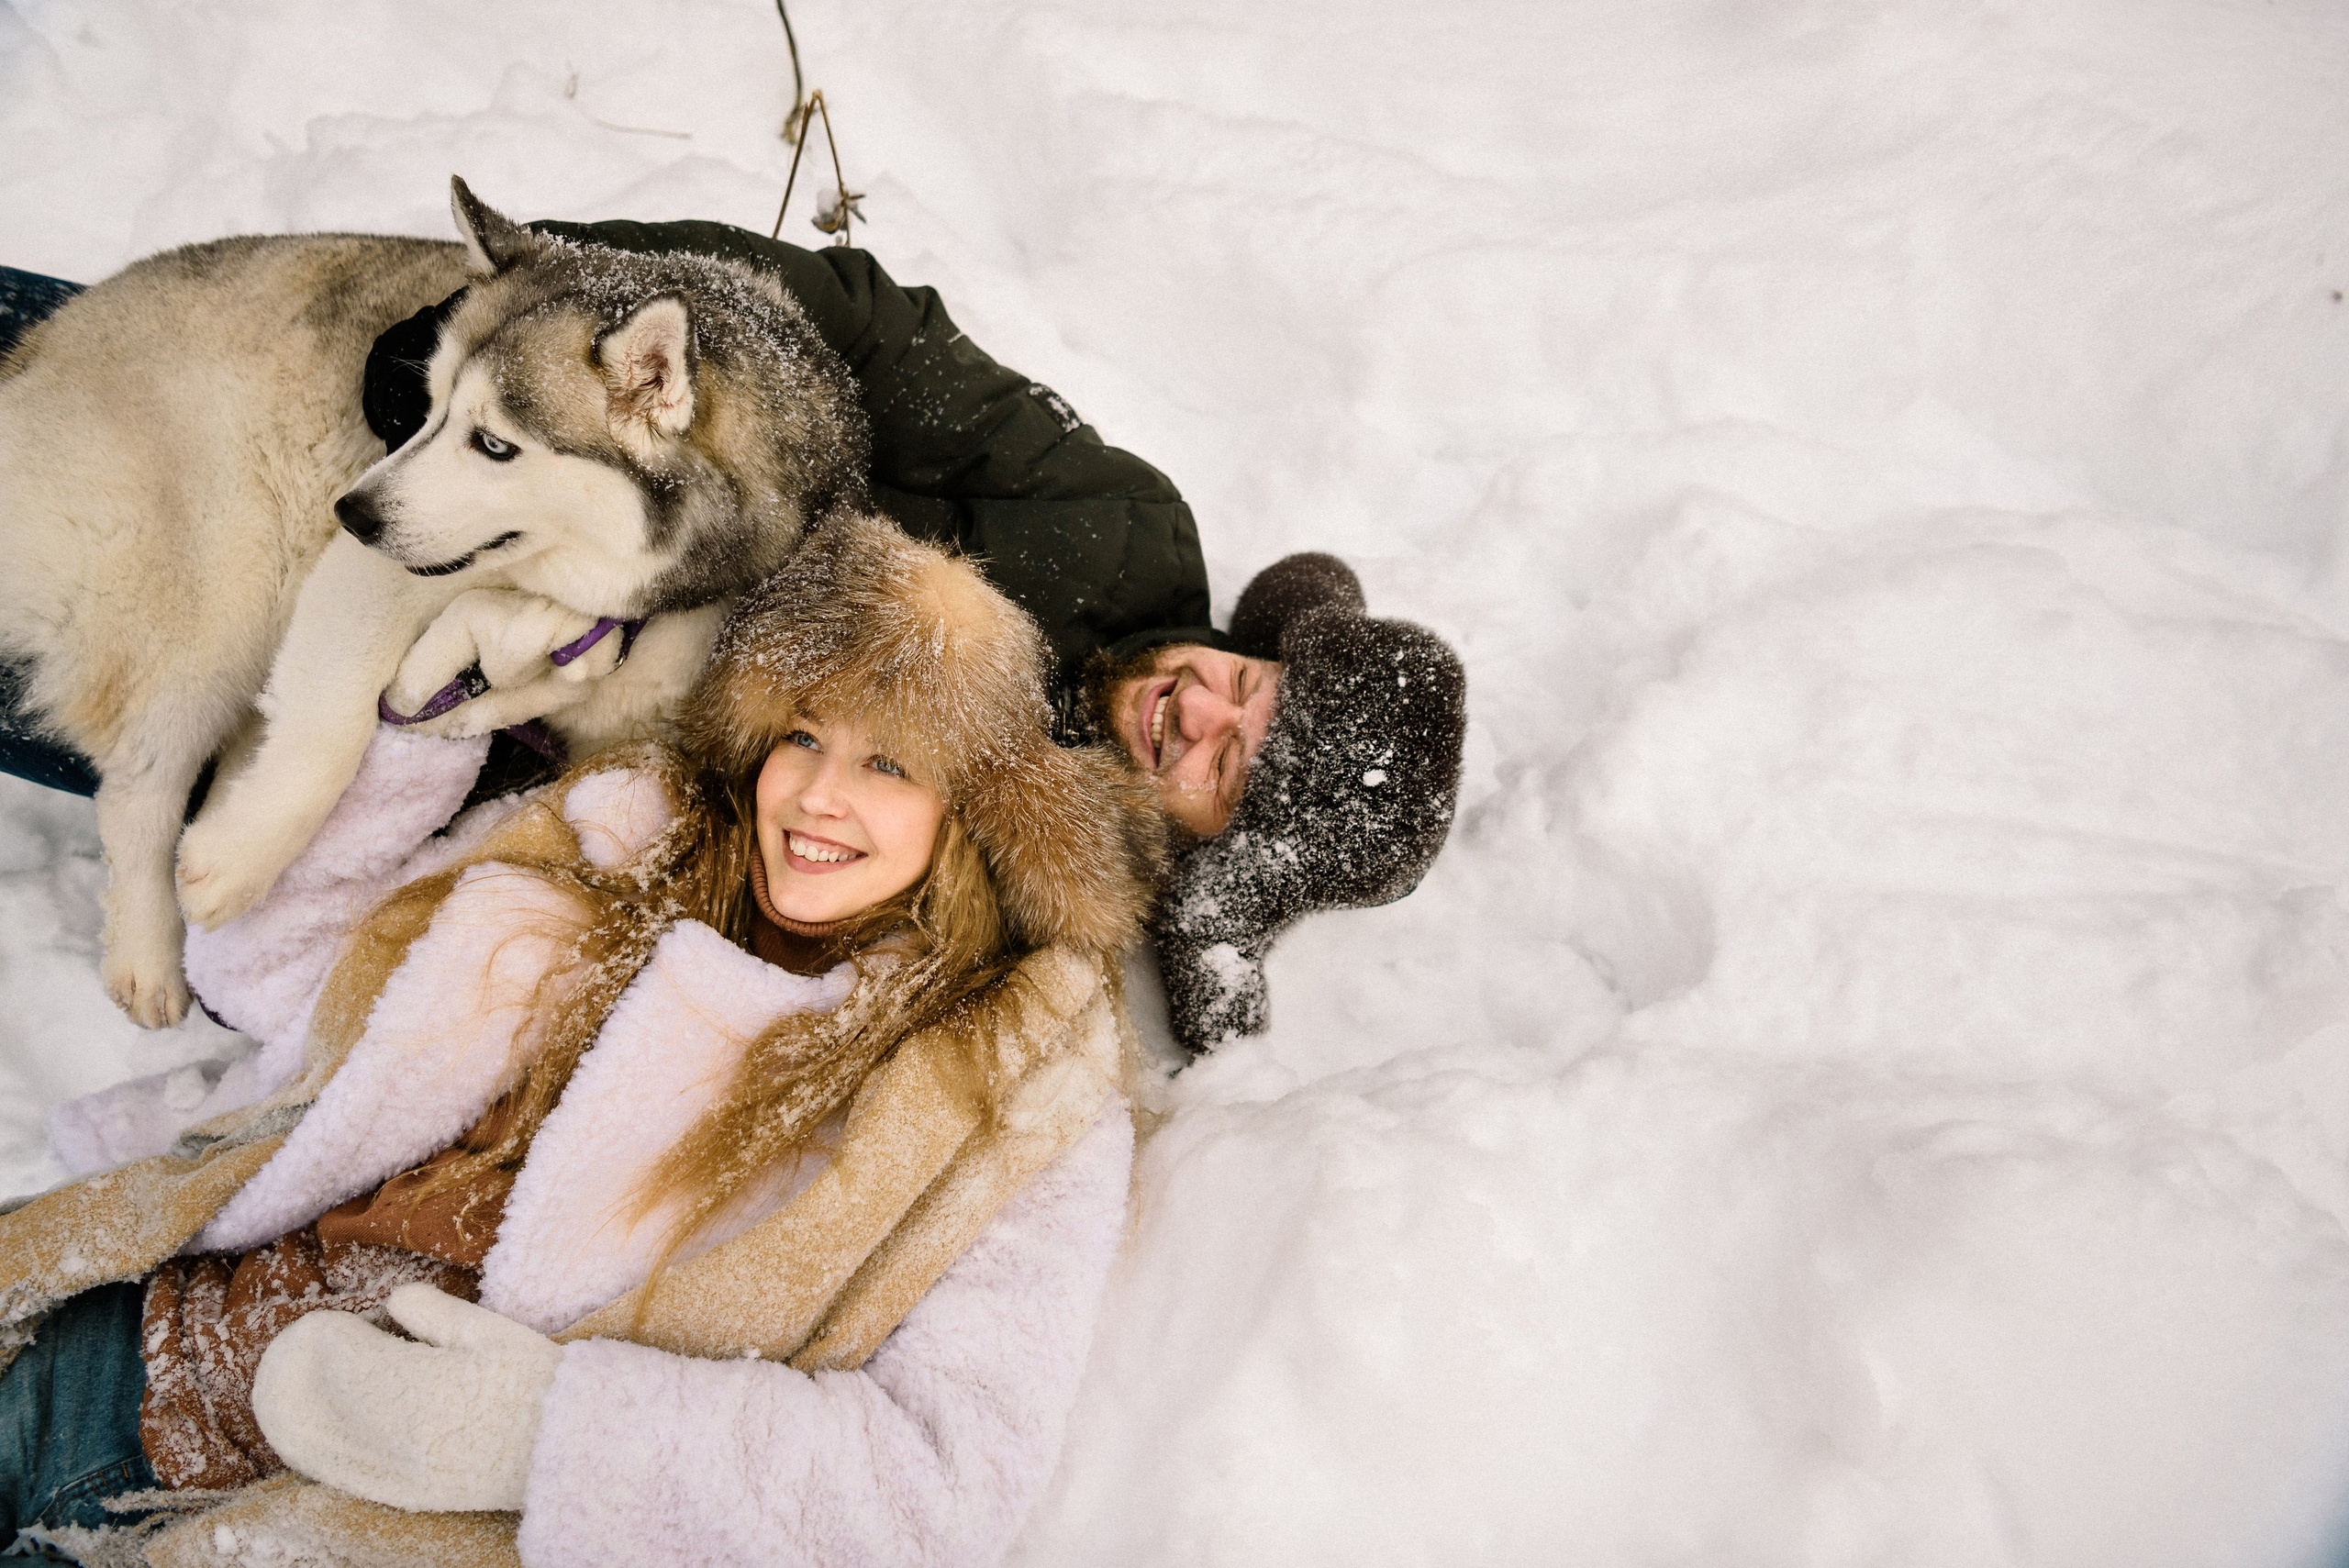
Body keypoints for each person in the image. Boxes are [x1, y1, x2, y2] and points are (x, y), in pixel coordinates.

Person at [0, 218, 1470, 1051]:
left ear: (1207, 835)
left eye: (1228, 758)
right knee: (160, 437)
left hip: (525, 706)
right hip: (614, 459)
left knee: (147, 672)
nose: (1202, 702)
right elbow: (874, 330)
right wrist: (573, 306)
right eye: (1249, 679)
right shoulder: (1131, 527)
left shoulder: (1035, 867)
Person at [0, 514, 1163, 1565]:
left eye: (889, 762)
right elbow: (261, 975)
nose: (816, 794)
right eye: (802, 734)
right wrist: (424, 731)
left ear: (970, 807)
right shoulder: (619, 844)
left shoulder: (1010, 1085)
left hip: (334, 1529)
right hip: (121, 1342)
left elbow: (937, 1484)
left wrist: (541, 1428)